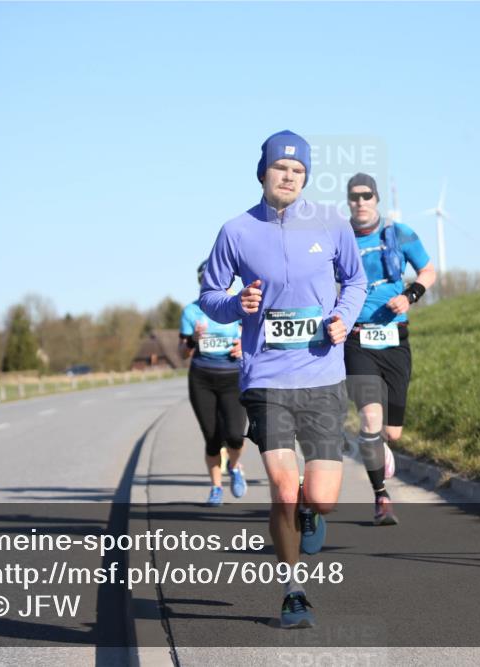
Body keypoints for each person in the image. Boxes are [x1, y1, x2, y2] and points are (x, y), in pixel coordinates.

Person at [200, 130, 366, 629]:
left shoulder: (332, 223)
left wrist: (343, 319)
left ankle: (312, 512)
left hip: (322, 374)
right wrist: (237, 304)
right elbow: (210, 295)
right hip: (266, 378)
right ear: (263, 172)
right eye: (281, 168)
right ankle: (293, 592)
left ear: (306, 177)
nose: (289, 177)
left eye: (298, 170)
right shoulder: (236, 231)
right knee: (282, 487)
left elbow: (355, 281)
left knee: (322, 498)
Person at [343, 173, 436, 526]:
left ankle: (377, 444)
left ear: (376, 198)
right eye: (354, 196)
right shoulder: (340, 237)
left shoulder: (399, 233)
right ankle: (381, 496)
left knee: (392, 432)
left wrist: (410, 296)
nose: (360, 202)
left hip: (395, 338)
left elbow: (427, 270)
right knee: (369, 419)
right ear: (348, 201)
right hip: (357, 339)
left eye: (366, 195)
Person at [179, 260, 247, 507]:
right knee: (212, 438)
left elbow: (255, 340)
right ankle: (216, 487)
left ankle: (235, 467)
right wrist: (193, 339)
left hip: (233, 377)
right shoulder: (192, 311)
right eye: (206, 280)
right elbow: (182, 354)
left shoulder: (239, 306)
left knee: (236, 436)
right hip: (202, 378)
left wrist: (244, 347)